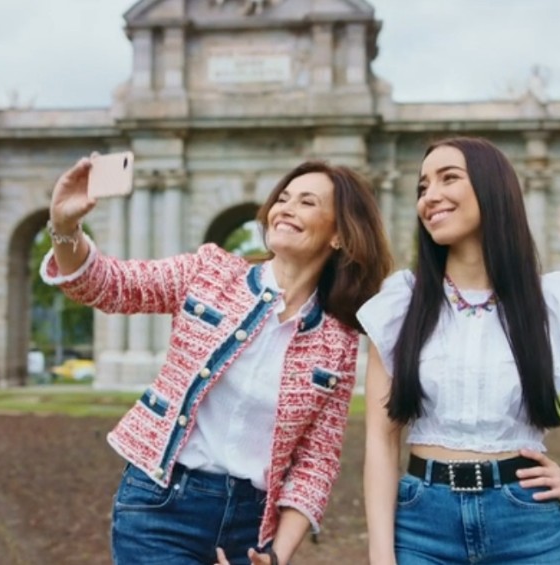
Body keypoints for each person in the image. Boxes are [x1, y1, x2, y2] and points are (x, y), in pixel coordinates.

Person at [40, 154, 393, 565]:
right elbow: (106, 286)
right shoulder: (209, 272)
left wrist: (276, 557)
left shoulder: (340, 339)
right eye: (284, 197)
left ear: (339, 235)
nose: (286, 208)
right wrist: (64, 227)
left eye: (307, 202)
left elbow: (316, 462)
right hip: (161, 508)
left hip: (251, 530)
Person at [359, 137, 560, 565]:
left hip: (528, 525)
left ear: (493, 189)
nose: (430, 196)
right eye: (422, 187)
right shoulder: (401, 302)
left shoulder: (555, 301)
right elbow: (381, 439)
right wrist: (381, 555)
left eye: (448, 178)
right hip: (421, 527)